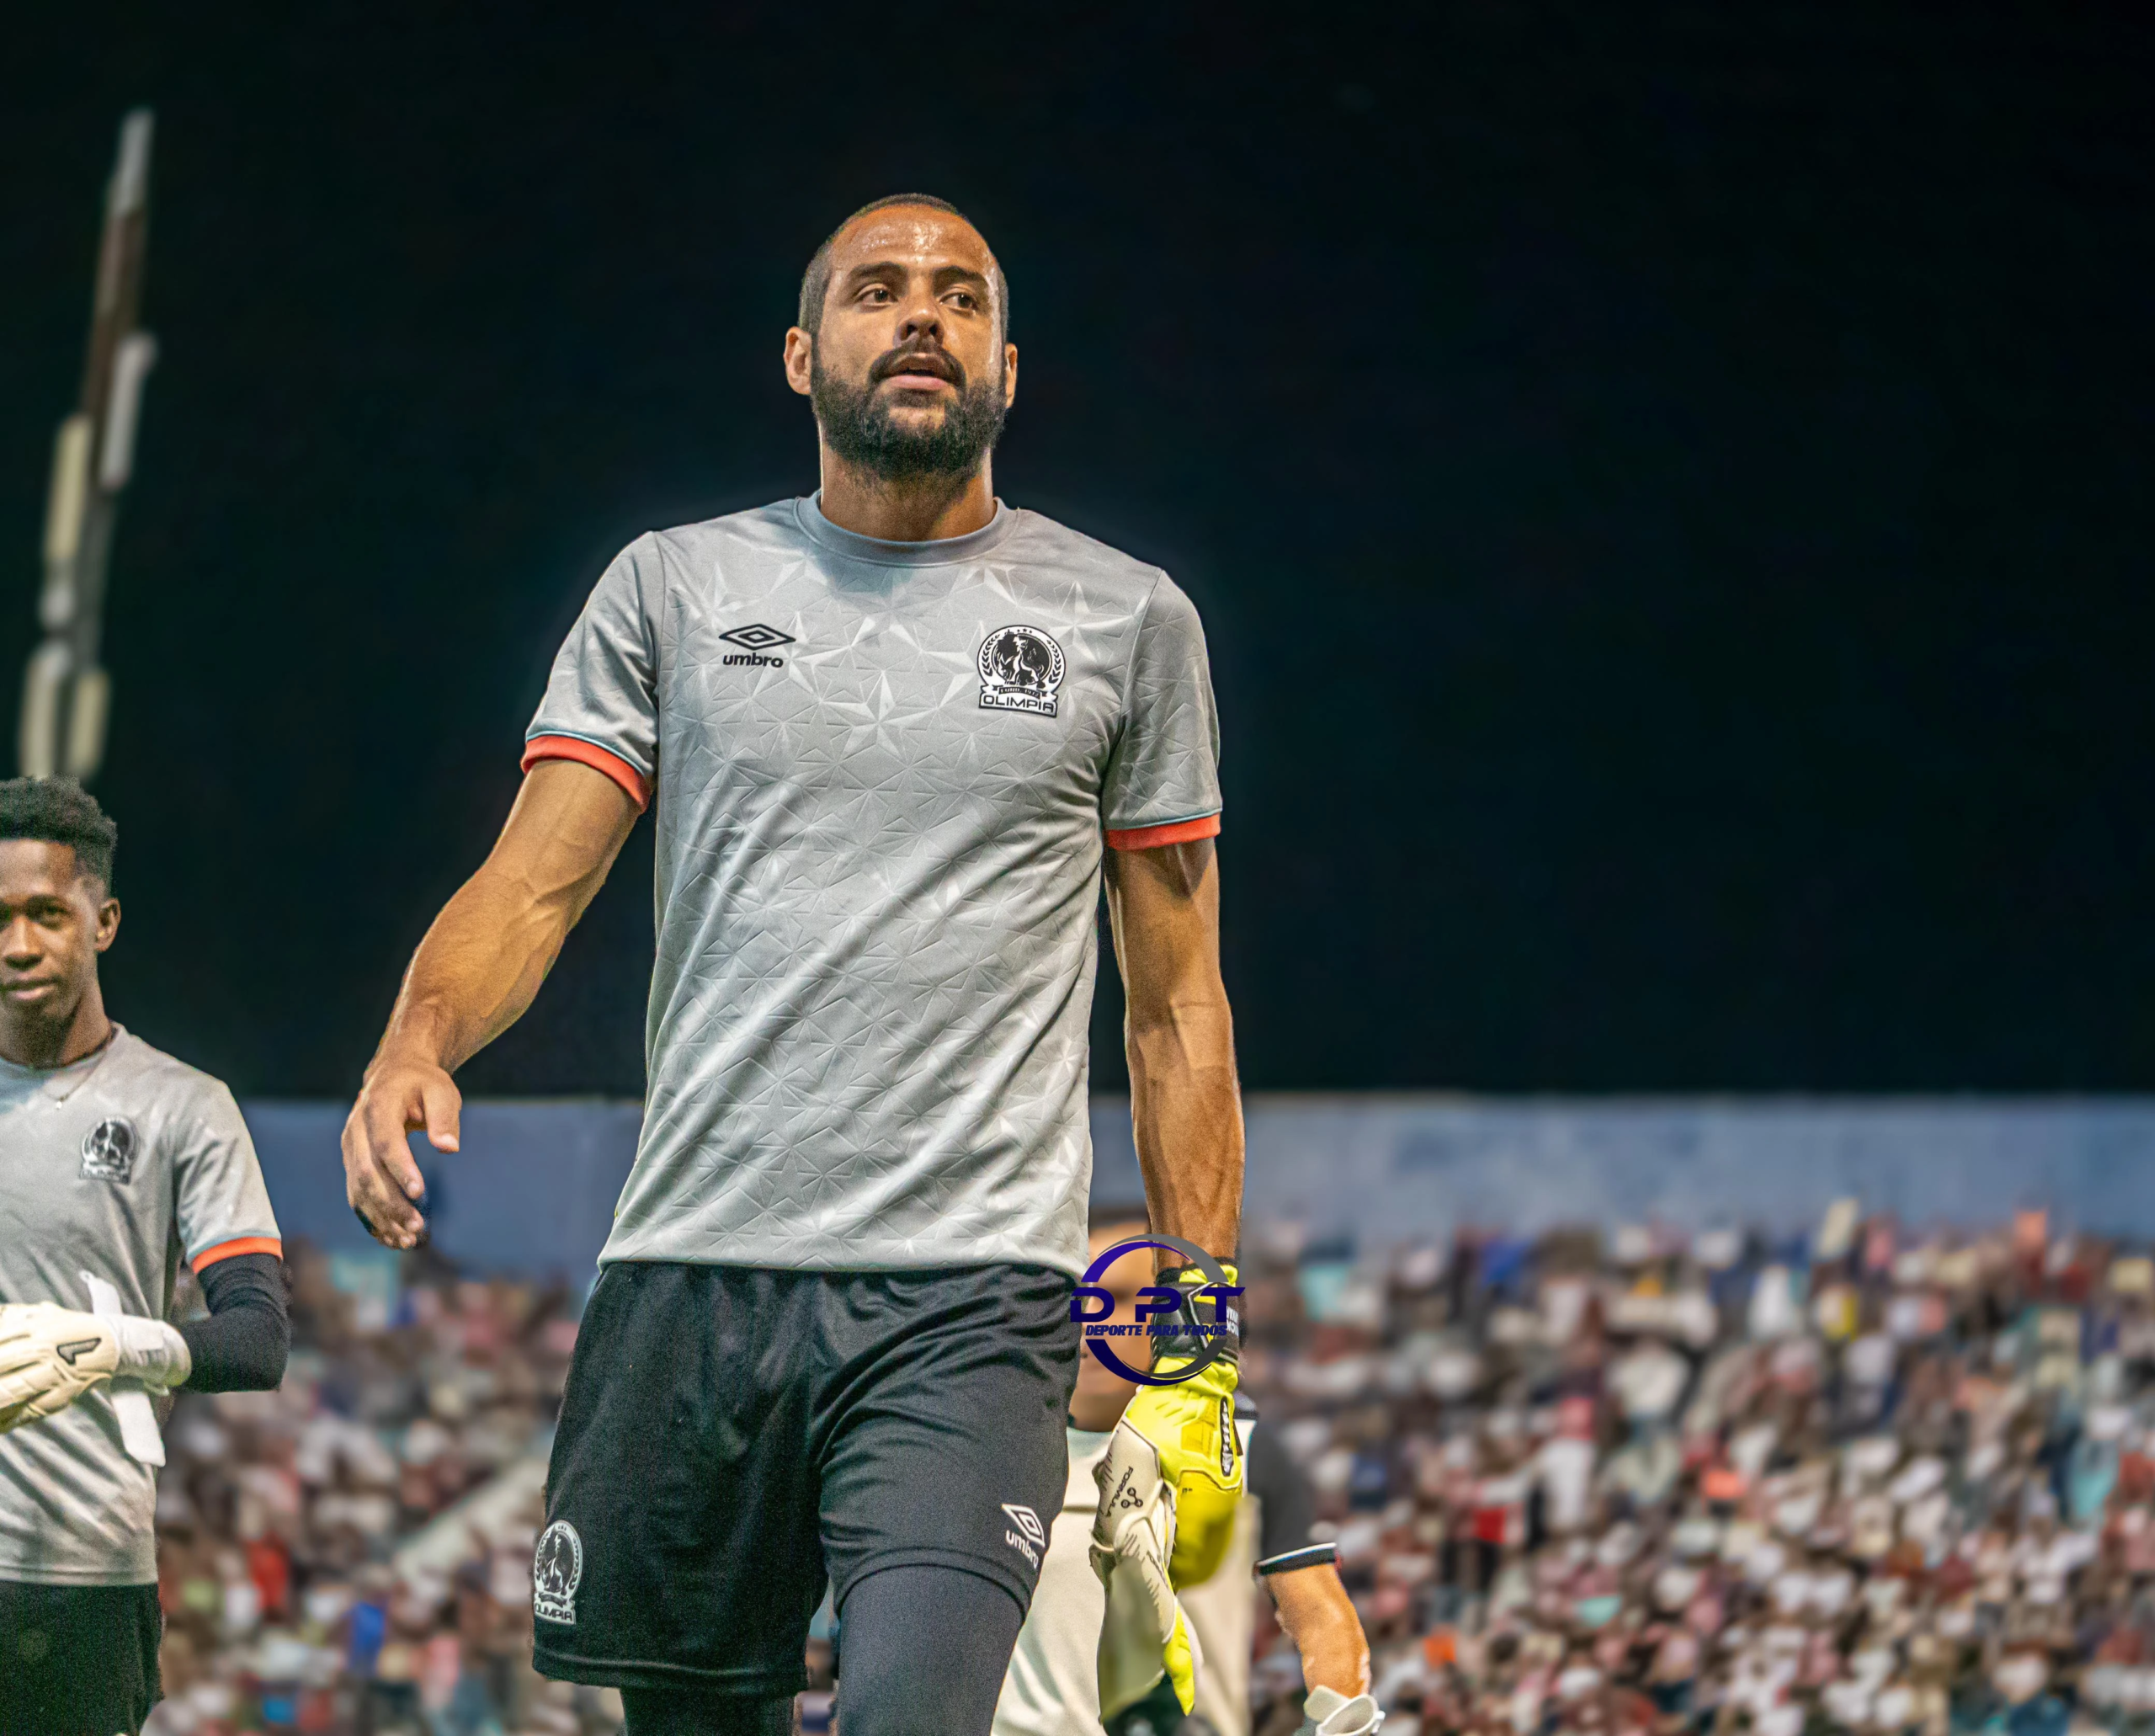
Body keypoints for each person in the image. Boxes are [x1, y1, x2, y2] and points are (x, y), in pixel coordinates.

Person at [341, 193, 1246, 1736]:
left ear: (1006, 366)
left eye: (960, 297)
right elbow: (535, 884)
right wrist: (416, 1036)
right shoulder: (672, 590)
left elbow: (1174, 1005)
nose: (920, 316)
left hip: (972, 1297)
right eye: (878, 289)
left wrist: (1206, 1356)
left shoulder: (1129, 620)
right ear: (798, 351)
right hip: (696, 1275)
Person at [0, 777, 289, 1736]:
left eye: (48, 912)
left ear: (104, 920)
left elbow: (257, 1338)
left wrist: (114, 1344)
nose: (18, 945)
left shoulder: (183, 1107)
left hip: (84, 1580)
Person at [995, 1210, 1379, 1736]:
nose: (1092, 1319)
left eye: (1123, 1297)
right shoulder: (995, 1451)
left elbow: (1318, 1616)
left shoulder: (1242, 1444)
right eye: (1074, 1298)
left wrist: (1342, 1716)